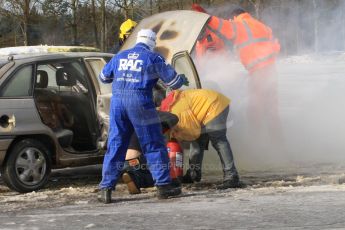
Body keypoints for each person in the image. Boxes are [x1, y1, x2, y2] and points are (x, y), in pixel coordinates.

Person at [98, 28, 189, 203]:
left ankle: (106, 189)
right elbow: (175, 83)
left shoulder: (120, 56)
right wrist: (181, 78)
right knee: (153, 143)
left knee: (116, 144)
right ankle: (163, 186)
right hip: (140, 102)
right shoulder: (153, 57)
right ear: (152, 43)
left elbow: (103, 77)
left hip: (117, 104)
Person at [206, 7, 281, 137]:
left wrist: (206, 17)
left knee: (254, 109)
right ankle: (278, 142)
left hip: (258, 73)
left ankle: (254, 141)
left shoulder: (240, 25)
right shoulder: (261, 26)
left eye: (231, 19)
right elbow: (276, 45)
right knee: (272, 110)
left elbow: (222, 25)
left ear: (235, 16)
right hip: (270, 71)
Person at [160, 89, 240, 189]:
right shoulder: (165, 111)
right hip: (204, 106)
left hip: (214, 104)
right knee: (198, 141)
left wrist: (177, 137)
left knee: (218, 141)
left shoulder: (178, 115)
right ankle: (193, 174)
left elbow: (192, 132)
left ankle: (232, 176)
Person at [122, 111, 179, 194]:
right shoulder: (158, 117)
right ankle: (163, 183)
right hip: (139, 161)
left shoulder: (126, 119)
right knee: (165, 176)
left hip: (125, 162)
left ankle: (133, 176)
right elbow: (172, 118)